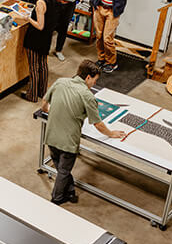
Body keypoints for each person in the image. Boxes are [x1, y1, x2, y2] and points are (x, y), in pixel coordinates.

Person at [41, 59, 125, 204]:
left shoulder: (60, 82)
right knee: (63, 171)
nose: (95, 84)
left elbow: (44, 103)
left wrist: (53, 112)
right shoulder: (87, 96)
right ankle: (57, 199)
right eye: (95, 80)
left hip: (51, 135)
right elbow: (97, 123)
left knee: (61, 166)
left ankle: (71, 191)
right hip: (68, 142)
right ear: (87, 77)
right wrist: (111, 134)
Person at [22, 0, 58, 103]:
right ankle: (42, 92)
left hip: (35, 39)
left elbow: (40, 25)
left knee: (33, 67)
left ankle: (31, 94)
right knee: (43, 65)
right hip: (46, 39)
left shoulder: (40, 3)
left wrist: (28, 18)